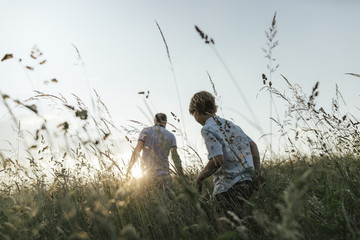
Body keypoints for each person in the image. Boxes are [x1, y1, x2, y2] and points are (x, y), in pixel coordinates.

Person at [189, 91, 261, 217]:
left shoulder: (207, 129)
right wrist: (257, 173)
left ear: (196, 110)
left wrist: (199, 179)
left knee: (225, 226)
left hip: (228, 187)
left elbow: (218, 159)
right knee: (243, 222)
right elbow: (253, 146)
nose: (195, 119)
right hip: (248, 182)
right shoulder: (230, 124)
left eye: (193, 114)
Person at [126, 113, 184, 196]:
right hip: (164, 175)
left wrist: (129, 169)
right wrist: (181, 175)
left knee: (148, 203)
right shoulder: (171, 136)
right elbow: (175, 157)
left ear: (154, 120)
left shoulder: (146, 131)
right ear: (166, 122)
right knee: (166, 204)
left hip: (147, 176)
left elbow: (137, 150)